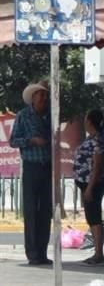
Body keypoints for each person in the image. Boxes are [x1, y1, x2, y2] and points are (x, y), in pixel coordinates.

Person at [10, 82, 53, 266]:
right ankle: (33, 253)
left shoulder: (51, 116)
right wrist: (31, 141)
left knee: (45, 211)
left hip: (47, 166)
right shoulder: (23, 116)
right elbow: (13, 141)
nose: (44, 98)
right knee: (31, 211)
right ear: (33, 98)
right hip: (31, 166)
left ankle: (42, 252)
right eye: (40, 95)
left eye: (46, 95)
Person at [73, 109, 104, 266]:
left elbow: (97, 165)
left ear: (89, 122)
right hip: (87, 183)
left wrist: (90, 188)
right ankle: (98, 253)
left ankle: (98, 254)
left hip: (93, 184)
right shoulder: (94, 139)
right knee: (92, 217)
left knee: (94, 217)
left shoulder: (96, 140)